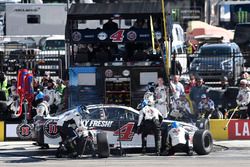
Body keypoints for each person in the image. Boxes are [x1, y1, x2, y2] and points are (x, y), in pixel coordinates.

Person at [137, 91, 163, 156]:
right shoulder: (155, 109)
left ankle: (144, 149)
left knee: (144, 135)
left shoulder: (143, 109)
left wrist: (138, 126)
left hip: (148, 123)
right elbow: (162, 117)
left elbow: (140, 118)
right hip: (156, 122)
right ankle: (158, 151)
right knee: (157, 137)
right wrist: (159, 124)